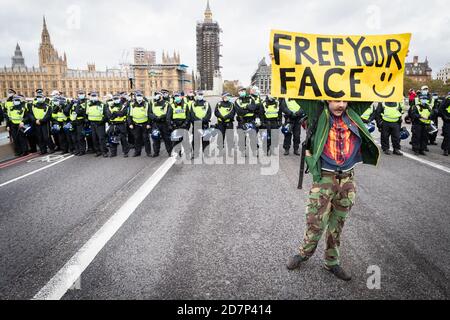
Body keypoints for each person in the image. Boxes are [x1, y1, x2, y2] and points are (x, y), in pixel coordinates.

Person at [286, 99, 380, 281]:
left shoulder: (353, 113)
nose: (341, 105)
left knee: (337, 224)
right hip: (324, 178)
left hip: (347, 180)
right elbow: (299, 92)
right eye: (336, 100)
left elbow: (369, 92)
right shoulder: (318, 112)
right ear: (327, 99)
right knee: (315, 221)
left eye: (345, 100)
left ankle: (331, 262)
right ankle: (303, 254)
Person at [234, 87, 257, 156]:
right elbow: (239, 111)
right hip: (242, 121)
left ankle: (254, 151)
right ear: (238, 92)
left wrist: (244, 108)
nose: (242, 92)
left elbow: (253, 108)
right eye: (240, 91)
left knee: (253, 137)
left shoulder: (251, 99)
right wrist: (248, 109)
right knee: (242, 137)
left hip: (251, 120)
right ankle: (242, 151)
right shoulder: (237, 101)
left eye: (243, 91)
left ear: (245, 91)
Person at [128, 91, 152, 157]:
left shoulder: (147, 104)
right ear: (135, 97)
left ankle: (148, 152)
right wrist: (130, 123)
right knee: (137, 138)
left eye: (140, 96)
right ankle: (137, 152)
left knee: (146, 138)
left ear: (142, 97)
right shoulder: (131, 104)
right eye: (138, 96)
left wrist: (149, 124)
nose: (139, 98)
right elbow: (129, 115)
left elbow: (149, 115)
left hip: (145, 124)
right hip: (136, 125)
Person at [411, 86, 433, 155]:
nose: (424, 100)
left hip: (425, 124)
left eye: (425, 99)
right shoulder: (416, 106)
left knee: (424, 137)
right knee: (417, 137)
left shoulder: (428, 107)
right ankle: (416, 149)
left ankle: (422, 149)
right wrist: (420, 116)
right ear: (420, 99)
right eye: (422, 99)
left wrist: (429, 117)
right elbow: (413, 114)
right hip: (418, 124)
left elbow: (432, 113)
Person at [189, 90, 212, 158]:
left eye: (201, 94)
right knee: (195, 140)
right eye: (199, 94)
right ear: (196, 95)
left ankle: (206, 153)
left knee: (205, 139)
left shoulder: (206, 103)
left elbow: (209, 113)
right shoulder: (193, 104)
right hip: (196, 124)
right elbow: (192, 114)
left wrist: (203, 120)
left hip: (205, 123)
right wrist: (198, 120)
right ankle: (195, 153)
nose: (200, 96)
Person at [86, 91, 108, 157]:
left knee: (101, 138)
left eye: (95, 96)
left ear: (97, 97)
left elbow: (106, 115)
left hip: (100, 124)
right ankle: (97, 151)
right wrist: (87, 120)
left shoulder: (102, 104)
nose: (93, 97)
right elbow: (86, 114)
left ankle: (104, 151)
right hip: (92, 123)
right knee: (94, 138)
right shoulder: (88, 105)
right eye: (92, 96)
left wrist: (101, 121)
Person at [215, 92, 236, 157]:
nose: (227, 98)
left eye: (228, 96)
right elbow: (216, 112)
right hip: (220, 123)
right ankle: (220, 152)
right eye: (225, 96)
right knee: (220, 138)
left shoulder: (231, 104)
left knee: (230, 138)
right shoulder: (219, 104)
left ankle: (229, 152)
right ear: (223, 97)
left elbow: (232, 113)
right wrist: (222, 117)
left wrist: (226, 117)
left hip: (229, 123)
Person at [439, 92, 450, 156]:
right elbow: (441, 109)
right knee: (448, 135)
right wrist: (445, 117)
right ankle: (445, 149)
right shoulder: (448, 99)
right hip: (448, 120)